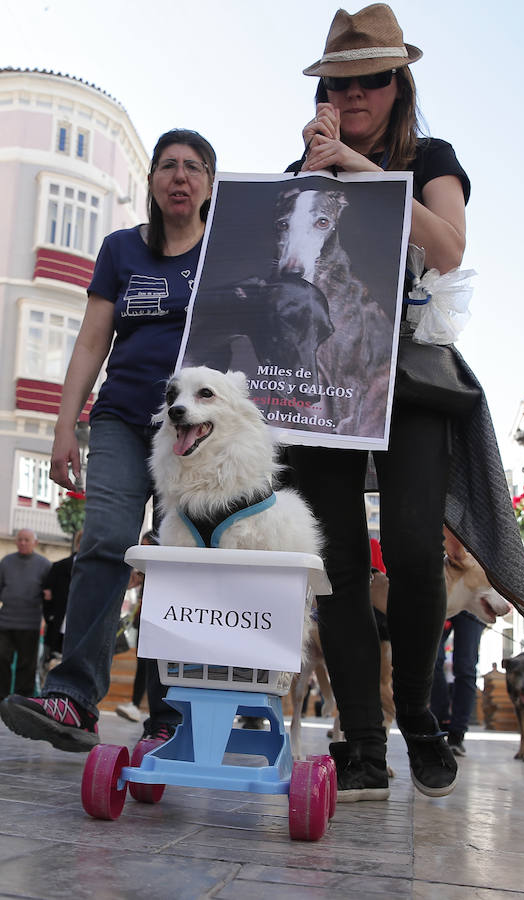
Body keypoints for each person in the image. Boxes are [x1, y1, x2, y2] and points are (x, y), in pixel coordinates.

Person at [285, 4, 524, 801]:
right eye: (340, 80)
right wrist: (311, 172)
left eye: (370, 79)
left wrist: (357, 171)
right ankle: (364, 738)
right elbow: (283, 265)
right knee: (338, 568)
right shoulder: (305, 169)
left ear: (398, 84)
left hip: (412, 375)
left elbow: (449, 245)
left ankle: (421, 718)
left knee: (410, 547)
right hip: (323, 381)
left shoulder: (430, 154)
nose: (355, 93)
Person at [0, 129, 216, 752]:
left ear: (208, 184)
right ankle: (74, 695)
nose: (180, 176)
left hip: (196, 431)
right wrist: (64, 426)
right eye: (168, 165)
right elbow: (92, 340)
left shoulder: (223, 254)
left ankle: (171, 713)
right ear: (151, 181)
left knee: (181, 559)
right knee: (105, 541)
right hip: (123, 418)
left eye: (193, 167)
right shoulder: (122, 249)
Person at [0, 530, 51, 701]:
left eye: (26, 540)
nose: (22, 543)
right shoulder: (6, 562)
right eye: (20, 539)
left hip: (30, 622)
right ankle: (1, 698)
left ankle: (22, 701)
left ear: (35, 543)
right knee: (1, 659)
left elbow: (48, 593)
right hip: (5, 621)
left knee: (26, 665)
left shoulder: (44, 565)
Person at [430, 611, 486, 756]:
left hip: (473, 601)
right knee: (432, 661)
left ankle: (457, 733)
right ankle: (440, 723)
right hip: (445, 597)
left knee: (466, 667)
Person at [115, 530, 156, 723]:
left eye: (146, 546)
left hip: (155, 620)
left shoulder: (156, 572)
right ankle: (135, 704)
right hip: (144, 619)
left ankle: (143, 707)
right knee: (143, 665)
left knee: (149, 666)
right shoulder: (143, 573)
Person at [41, 529, 82, 672]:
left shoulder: (97, 573)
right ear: (78, 544)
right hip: (58, 627)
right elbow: (47, 594)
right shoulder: (59, 566)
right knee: (51, 666)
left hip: (81, 631)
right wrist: (50, 617)